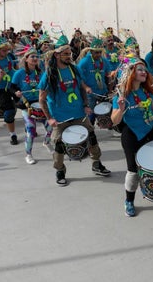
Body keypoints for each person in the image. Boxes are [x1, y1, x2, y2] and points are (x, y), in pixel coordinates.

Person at [38, 35, 111, 186]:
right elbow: (42, 99)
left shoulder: (75, 69)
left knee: (92, 137)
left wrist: (85, 105)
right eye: (65, 54)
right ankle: (60, 171)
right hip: (59, 117)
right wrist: (49, 118)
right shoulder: (49, 74)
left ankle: (96, 164)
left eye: (70, 53)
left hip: (79, 113)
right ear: (57, 55)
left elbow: (81, 87)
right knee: (59, 145)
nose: (69, 56)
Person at [111, 51, 153, 217]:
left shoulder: (147, 93)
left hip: (151, 131)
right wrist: (121, 110)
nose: (144, 72)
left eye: (145, 69)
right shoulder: (122, 96)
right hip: (132, 135)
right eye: (140, 69)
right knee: (133, 171)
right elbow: (114, 121)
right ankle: (129, 200)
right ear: (130, 73)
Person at [12, 47, 53, 165]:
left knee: (50, 126)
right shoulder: (19, 73)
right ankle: (28, 155)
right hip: (27, 106)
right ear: (26, 59)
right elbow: (12, 87)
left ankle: (46, 142)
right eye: (32, 57)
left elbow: (47, 85)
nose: (35, 59)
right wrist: (16, 92)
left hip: (41, 104)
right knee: (30, 131)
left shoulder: (41, 72)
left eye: (36, 57)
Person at [76, 36, 109, 122]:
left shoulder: (104, 61)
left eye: (99, 52)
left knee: (106, 111)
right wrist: (86, 87)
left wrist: (110, 88)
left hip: (102, 92)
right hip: (90, 94)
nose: (98, 55)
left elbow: (108, 75)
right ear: (91, 51)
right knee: (90, 114)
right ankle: (90, 132)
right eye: (96, 53)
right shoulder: (84, 62)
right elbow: (78, 77)